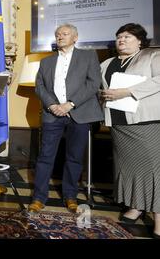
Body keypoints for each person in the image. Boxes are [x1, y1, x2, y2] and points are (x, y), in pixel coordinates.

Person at [29, 23, 103, 213]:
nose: (60, 36)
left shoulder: (88, 56)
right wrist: (53, 105)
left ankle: (70, 196)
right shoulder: (46, 62)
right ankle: (38, 197)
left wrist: (70, 104)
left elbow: (93, 83)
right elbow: (40, 87)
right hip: (52, 114)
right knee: (45, 157)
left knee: (74, 157)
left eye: (65, 34)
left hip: (80, 113)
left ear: (75, 38)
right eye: (57, 34)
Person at [100, 23, 160, 239]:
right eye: (119, 37)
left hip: (145, 121)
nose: (122, 40)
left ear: (139, 41)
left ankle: (159, 218)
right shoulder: (107, 62)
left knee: (154, 171)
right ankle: (136, 207)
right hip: (118, 123)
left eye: (127, 37)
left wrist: (127, 92)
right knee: (129, 169)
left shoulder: (152, 56)